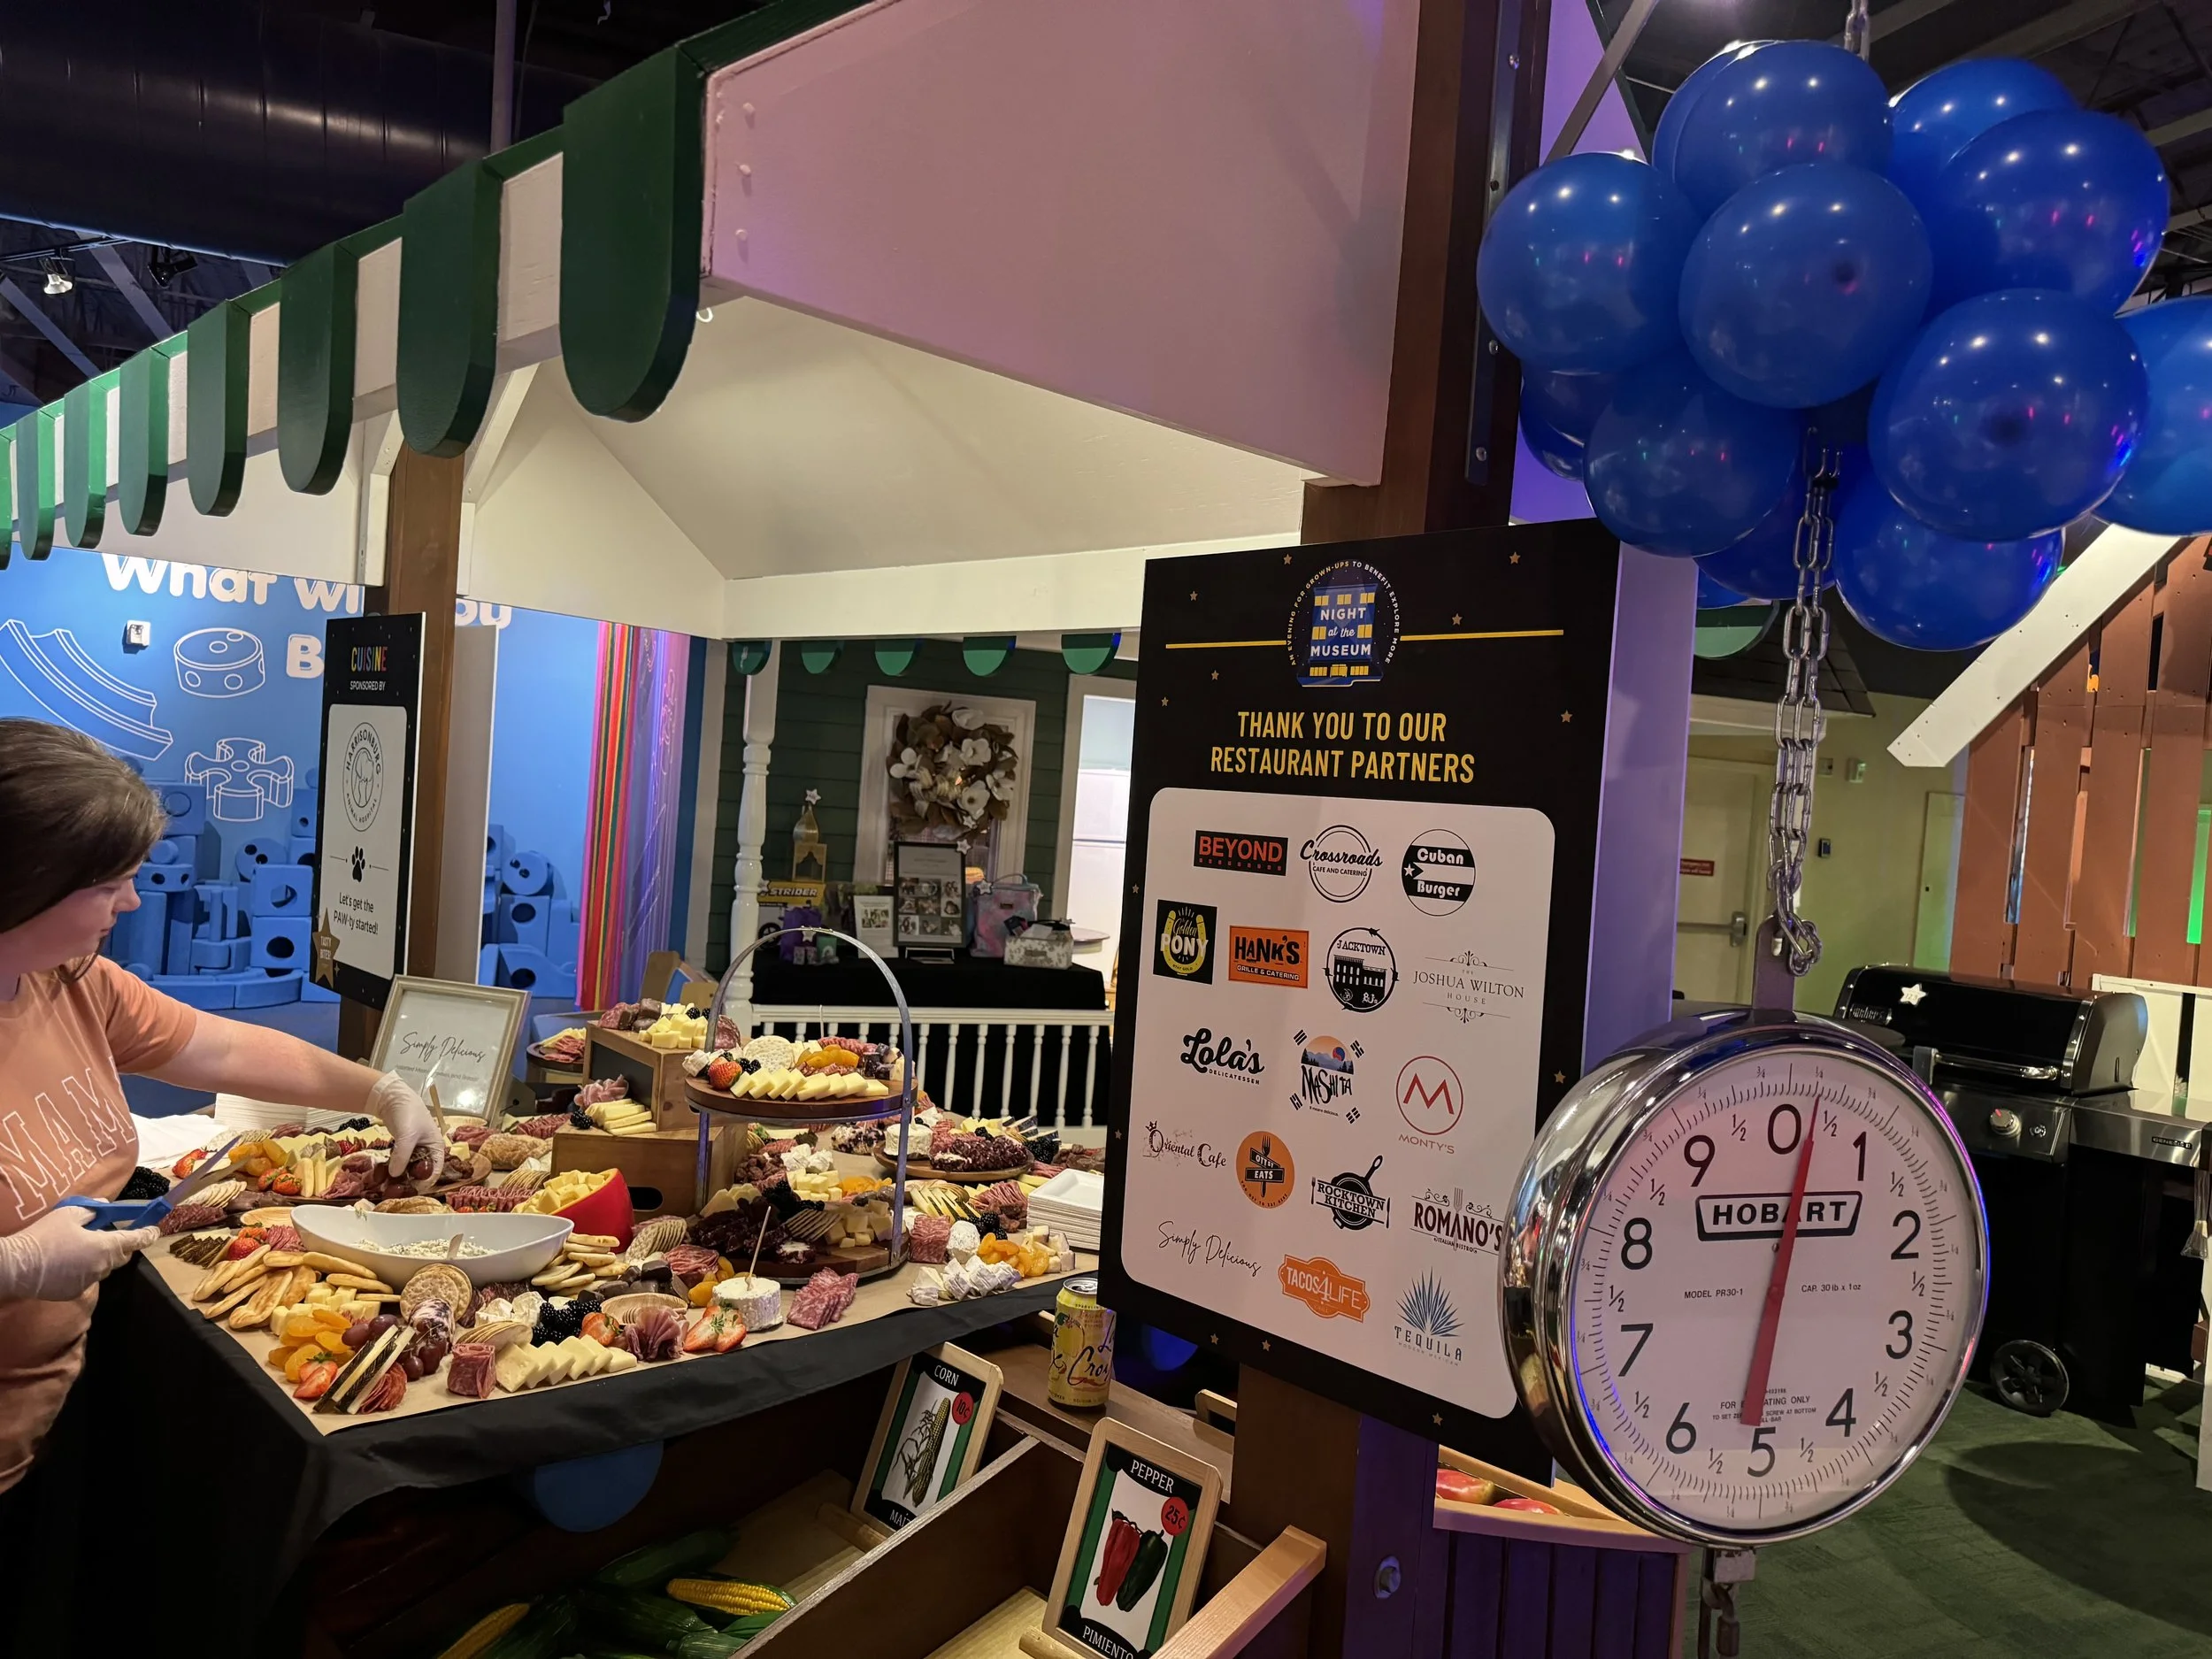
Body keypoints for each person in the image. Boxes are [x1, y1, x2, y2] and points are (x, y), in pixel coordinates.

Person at [0, 718, 442, 1496]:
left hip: (43, 1427)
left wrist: (381, 1090)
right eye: (108, 884)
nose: (133, 900)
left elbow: (228, 1051)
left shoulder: (66, 979)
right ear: (23, 880)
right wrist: (14, 1265)